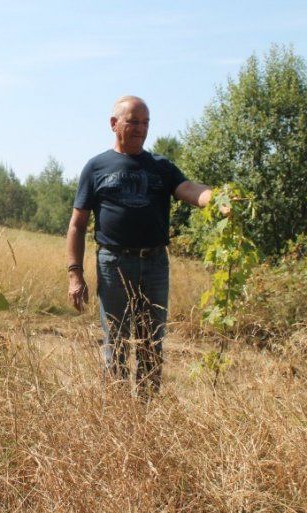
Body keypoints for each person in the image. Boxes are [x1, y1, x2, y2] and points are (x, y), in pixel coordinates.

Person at [65, 95, 222, 396]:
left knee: (152, 342)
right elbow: (77, 224)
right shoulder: (96, 167)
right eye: (133, 121)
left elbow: (189, 189)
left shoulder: (161, 166)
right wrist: (75, 274)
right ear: (114, 124)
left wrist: (216, 200)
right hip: (114, 265)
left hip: (154, 265)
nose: (140, 128)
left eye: (145, 123)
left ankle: (146, 411)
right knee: (117, 341)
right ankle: (118, 411)